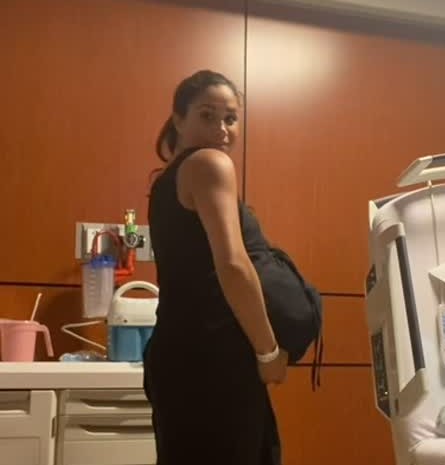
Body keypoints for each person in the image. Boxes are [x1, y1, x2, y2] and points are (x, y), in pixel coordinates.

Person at [143, 70, 287, 465]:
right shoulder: (210, 164)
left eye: (231, 118)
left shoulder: (168, 179)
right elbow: (234, 265)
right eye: (207, 116)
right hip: (213, 361)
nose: (222, 129)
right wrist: (268, 353)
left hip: (178, 355)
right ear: (179, 119)